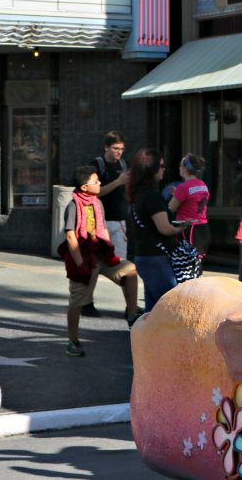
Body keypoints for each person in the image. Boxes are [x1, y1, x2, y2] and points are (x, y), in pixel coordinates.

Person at [60, 166, 142, 357]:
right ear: (84, 187)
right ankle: (72, 341)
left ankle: (131, 314)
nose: (99, 184)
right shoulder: (73, 206)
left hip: (101, 255)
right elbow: (71, 236)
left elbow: (103, 229)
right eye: (95, 182)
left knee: (130, 271)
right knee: (76, 302)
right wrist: (80, 263)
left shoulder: (97, 203)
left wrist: (109, 251)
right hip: (84, 258)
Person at [126, 149, 187, 311]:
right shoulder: (153, 196)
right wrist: (181, 226)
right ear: (150, 170)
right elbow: (164, 228)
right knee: (171, 305)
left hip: (144, 256)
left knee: (153, 309)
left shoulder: (137, 195)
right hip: (157, 258)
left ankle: (147, 336)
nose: (163, 169)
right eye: (160, 166)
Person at [85, 131, 130, 318]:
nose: (119, 152)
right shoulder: (97, 165)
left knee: (123, 265)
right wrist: (118, 182)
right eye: (115, 148)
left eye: (121, 149)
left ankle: (131, 305)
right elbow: (93, 192)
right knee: (94, 264)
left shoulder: (123, 164)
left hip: (119, 220)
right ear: (106, 147)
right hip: (99, 221)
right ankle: (86, 303)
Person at [168, 154, 211, 257]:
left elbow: (169, 209)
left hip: (189, 229)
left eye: (180, 165)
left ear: (185, 168)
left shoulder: (183, 187)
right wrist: (177, 195)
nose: (179, 167)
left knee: (185, 266)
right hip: (202, 228)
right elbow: (193, 201)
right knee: (196, 266)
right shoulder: (202, 185)